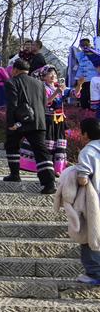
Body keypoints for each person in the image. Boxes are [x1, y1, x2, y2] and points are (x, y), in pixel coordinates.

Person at [55, 118, 100, 285]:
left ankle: (95, 273)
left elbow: (83, 178)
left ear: (86, 134)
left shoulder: (88, 151)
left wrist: (74, 174)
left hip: (94, 202)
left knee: (89, 235)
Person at [4, 59, 56, 194]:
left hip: (19, 122)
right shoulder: (39, 83)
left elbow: (12, 104)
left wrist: (11, 124)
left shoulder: (12, 82)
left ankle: (15, 174)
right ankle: (49, 183)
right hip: (38, 121)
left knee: (11, 145)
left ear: (15, 70)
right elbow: (44, 103)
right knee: (41, 151)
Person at [20, 67, 68, 178]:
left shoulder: (59, 87)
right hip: (47, 119)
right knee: (47, 144)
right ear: (44, 77)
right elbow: (44, 102)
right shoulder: (42, 88)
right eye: (50, 74)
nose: (53, 76)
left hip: (59, 121)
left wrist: (79, 85)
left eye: (54, 74)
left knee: (58, 145)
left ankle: (57, 169)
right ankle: (46, 168)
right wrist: (56, 93)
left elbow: (74, 93)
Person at [70, 37, 100, 110]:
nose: (84, 46)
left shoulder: (94, 53)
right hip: (83, 80)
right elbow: (78, 66)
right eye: (82, 45)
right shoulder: (79, 55)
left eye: (86, 44)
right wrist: (77, 78)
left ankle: (93, 110)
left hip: (93, 79)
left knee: (92, 97)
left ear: (89, 44)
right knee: (83, 98)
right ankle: (85, 111)